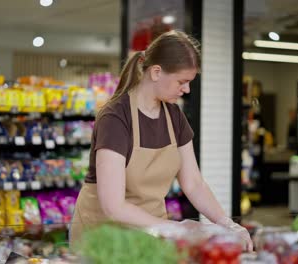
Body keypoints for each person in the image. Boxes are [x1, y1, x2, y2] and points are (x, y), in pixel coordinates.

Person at [69, 30, 252, 250]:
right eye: (182, 82)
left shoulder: (174, 116)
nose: (187, 89)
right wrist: (173, 229)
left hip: (149, 234)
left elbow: (193, 183)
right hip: (103, 238)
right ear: (156, 72)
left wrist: (226, 223)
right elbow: (113, 206)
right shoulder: (115, 117)